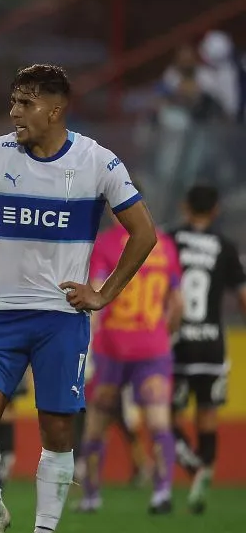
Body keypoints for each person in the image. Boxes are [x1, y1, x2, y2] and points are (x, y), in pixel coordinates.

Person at [0, 64, 157, 533]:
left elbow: (143, 233)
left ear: (55, 110)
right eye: (13, 102)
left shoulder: (96, 161)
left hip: (63, 318)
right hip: (2, 315)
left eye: (25, 103)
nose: (14, 112)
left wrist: (104, 293)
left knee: (57, 430)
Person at [77, 212, 182, 514]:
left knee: (97, 422)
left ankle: (91, 496)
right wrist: (163, 333)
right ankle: (162, 493)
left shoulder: (107, 244)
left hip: (113, 347)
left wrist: (89, 345)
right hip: (153, 346)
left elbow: (96, 293)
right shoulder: (164, 244)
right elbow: (177, 303)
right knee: (159, 422)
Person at [169, 185, 246, 513]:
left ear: (185, 206)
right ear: (216, 210)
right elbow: (242, 297)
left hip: (177, 344)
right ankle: (207, 470)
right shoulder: (225, 247)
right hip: (213, 344)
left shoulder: (170, 241)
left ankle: (194, 467)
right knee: (207, 413)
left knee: (166, 416)